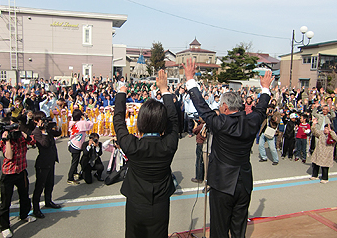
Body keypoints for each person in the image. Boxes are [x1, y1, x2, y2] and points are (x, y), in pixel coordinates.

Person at [183, 58, 273, 238]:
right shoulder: (252, 121)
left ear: (224, 107)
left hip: (222, 184)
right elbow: (262, 108)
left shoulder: (220, 123)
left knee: (219, 229)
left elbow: (201, 107)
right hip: (244, 183)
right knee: (238, 229)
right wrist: (265, 88)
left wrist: (190, 78)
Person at [113, 69, 179, 238]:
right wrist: (164, 90)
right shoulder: (169, 144)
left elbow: (118, 121)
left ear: (140, 122)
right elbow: (173, 118)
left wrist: (121, 92)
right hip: (160, 202)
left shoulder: (132, 145)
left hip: (136, 202)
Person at [0, 117, 37, 238]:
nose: (15, 129)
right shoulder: (4, 140)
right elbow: (9, 156)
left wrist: (24, 134)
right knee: (6, 202)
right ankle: (5, 227)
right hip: (8, 174)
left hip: (21, 171)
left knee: (24, 196)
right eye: (12, 127)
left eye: (16, 125)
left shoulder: (21, 136)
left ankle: (24, 215)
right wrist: (8, 141)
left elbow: (33, 142)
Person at [31, 111, 62, 219]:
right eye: (41, 119)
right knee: (40, 186)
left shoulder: (47, 129)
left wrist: (56, 127)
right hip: (42, 163)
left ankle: (48, 201)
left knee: (50, 183)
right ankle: (36, 209)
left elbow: (57, 134)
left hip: (51, 160)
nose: (44, 121)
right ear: (36, 121)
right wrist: (43, 131)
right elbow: (44, 144)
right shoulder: (36, 132)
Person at [67, 109, 93, 185]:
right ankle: (70, 178)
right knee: (75, 162)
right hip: (77, 145)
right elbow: (90, 124)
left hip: (71, 143)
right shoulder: (81, 123)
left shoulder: (71, 122)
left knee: (74, 160)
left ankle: (75, 172)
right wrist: (86, 117)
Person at [191, 118, 207, 183]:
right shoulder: (205, 125)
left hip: (200, 144)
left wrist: (195, 124)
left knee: (199, 160)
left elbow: (194, 131)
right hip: (203, 144)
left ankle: (199, 177)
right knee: (203, 161)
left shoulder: (201, 126)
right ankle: (202, 175)